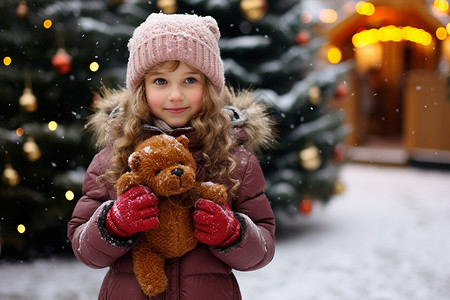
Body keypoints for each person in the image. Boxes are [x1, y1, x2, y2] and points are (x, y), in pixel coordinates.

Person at [68, 13, 276, 300]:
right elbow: (84, 248)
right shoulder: (113, 159)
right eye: (161, 81)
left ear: (209, 87)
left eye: (190, 79)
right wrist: (112, 224)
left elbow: (262, 249)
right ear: (141, 89)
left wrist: (233, 234)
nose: (176, 95)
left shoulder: (235, 162)